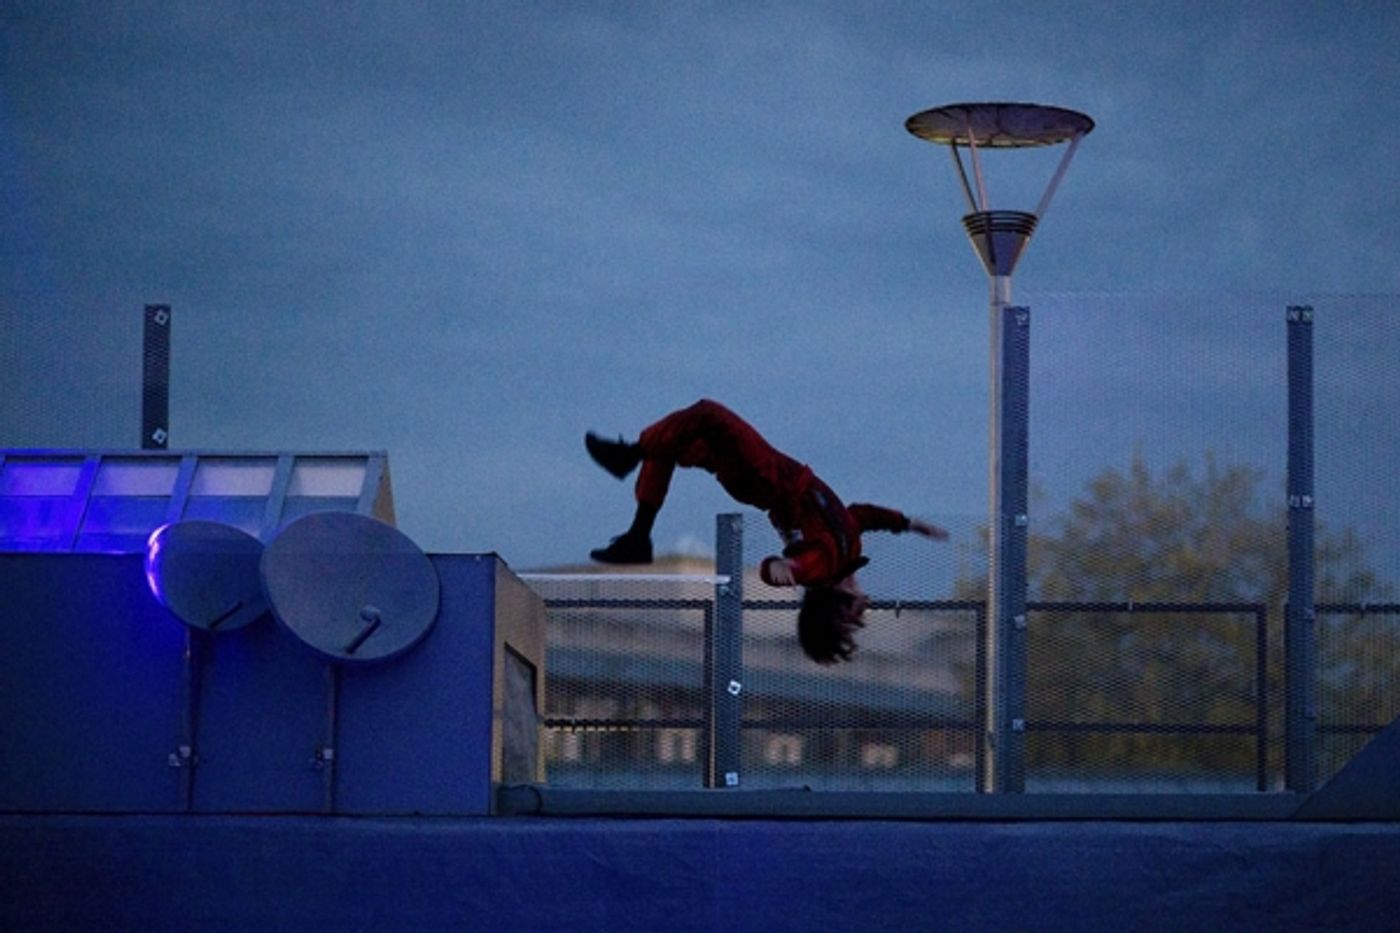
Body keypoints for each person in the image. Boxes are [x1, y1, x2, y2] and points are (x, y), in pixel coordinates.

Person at [584, 399, 947, 664]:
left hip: (766, 477)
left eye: (856, 612)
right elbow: (860, 515)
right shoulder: (848, 550)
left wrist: (780, 567)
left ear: (837, 605)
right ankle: (638, 535)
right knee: (676, 444)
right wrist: (907, 523)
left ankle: (629, 455)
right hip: (764, 477)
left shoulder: (824, 566)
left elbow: (797, 566)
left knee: (708, 415)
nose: (865, 603)